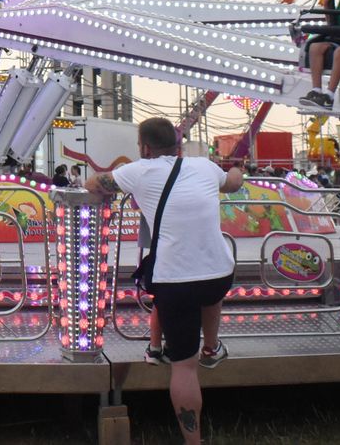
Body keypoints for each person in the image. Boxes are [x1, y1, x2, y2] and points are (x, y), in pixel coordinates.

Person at [89, 117, 242, 445]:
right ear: (179, 145)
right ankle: (212, 348)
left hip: (175, 281)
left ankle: (194, 441)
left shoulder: (139, 171)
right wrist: (237, 171)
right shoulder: (203, 165)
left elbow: (94, 184)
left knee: (184, 368)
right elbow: (232, 182)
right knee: (210, 288)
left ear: (144, 147)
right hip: (219, 274)